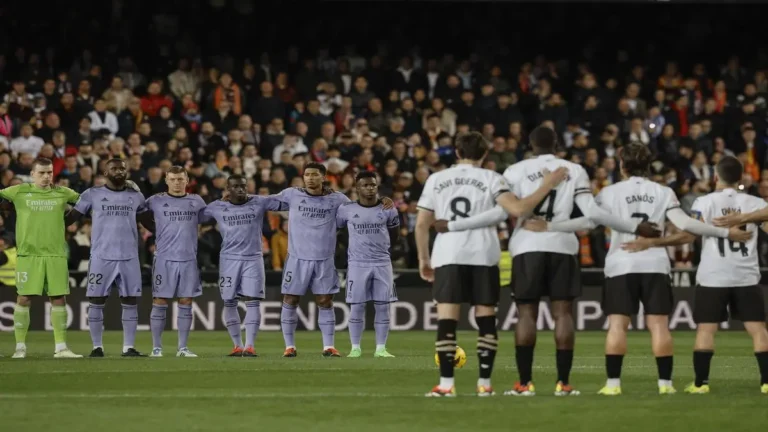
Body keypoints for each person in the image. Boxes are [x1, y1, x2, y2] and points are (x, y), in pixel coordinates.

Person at [434, 126, 661, 396]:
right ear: (557, 145)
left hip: (526, 245)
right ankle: (563, 384)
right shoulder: (574, 170)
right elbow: (591, 215)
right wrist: (634, 226)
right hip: (563, 247)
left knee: (526, 313)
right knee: (563, 313)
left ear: (530, 145)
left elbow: (499, 213)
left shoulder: (514, 171)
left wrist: (455, 225)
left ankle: (524, 384)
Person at [523, 143, 749, 395]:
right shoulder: (664, 192)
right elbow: (685, 223)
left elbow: (589, 220)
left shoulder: (609, 192)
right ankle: (665, 385)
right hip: (655, 263)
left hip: (621, 263)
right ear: (648, 165)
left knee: (618, 325)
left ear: (622, 166)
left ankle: (612, 385)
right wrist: (725, 232)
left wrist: (551, 227)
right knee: (659, 326)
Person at [415, 131, 569, 397]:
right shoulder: (492, 178)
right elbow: (517, 209)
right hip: (483, 254)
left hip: (448, 253)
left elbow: (421, 224)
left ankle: (446, 385)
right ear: (485, 154)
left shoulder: (436, 179)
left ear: (457, 152)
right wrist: (547, 185)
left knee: (447, 321)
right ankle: (484, 384)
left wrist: (423, 259)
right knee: (486, 320)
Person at [633, 156, 768, 394]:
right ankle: (766, 382)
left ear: (716, 176)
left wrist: (656, 242)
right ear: (741, 177)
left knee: (706, 329)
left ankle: (700, 384)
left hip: (713, 276)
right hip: (746, 275)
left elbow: (688, 236)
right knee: (758, 329)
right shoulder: (755, 203)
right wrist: (747, 218)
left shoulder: (703, 202)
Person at [277, 162, 393, 358]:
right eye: (307, 174)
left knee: (325, 300)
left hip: (324, 258)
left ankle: (328, 346)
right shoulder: (291, 194)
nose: (310, 178)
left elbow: (361, 205)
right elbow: (264, 202)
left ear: (324, 177)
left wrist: (382, 200)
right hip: (297, 258)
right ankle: (289, 347)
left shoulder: (337, 199)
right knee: (290, 298)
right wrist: (240, 198)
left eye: (315, 174)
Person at [66, 158, 155, 358]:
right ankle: (97, 347)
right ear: (105, 173)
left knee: (130, 300)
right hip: (101, 256)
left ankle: (128, 348)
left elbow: (148, 222)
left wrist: (168, 234)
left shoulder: (136, 196)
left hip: (129, 256)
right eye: (114, 168)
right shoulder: (92, 194)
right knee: (96, 300)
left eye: (122, 168)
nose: (119, 171)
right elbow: (71, 218)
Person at [0, 158, 82, 359]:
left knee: (58, 298)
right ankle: (20, 347)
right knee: (24, 298)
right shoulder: (18, 191)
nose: (46, 176)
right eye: (42, 173)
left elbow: (85, 202)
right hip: (29, 254)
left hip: (55, 254)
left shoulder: (62, 192)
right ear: (32, 174)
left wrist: (70, 218)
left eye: (49, 172)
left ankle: (61, 347)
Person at [200, 174, 284, 356]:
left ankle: (250, 346)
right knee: (230, 301)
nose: (241, 189)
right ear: (228, 189)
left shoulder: (259, 202)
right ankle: (237, 345)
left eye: (244, 186)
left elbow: (284, 202)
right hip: (229, 260)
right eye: (236, 186)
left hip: (253, 259)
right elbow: (195, 217)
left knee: (253, 301)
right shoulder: (217, 207)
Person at [145, 166, 208, 358]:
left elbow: (209, 219)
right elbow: (139, 213)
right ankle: (157, 348)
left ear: (187, 180)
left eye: (180, 179)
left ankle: (182, 348)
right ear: (166, 180)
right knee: (160, 300)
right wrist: (155, 231)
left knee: (186, 301)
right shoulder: (155, 201)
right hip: (164, 258)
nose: (177, 183)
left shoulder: (196, 201)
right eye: (173, 179)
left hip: (188, 259)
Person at [336, 171, 400, 358]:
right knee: (357, 306)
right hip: (357, 264)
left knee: (382, 306)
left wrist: (383, 249)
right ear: (357, 188)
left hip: (382, 262)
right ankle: (355, 348)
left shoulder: (388, 208)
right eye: (365, 185)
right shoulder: (345, 209)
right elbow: (339, 231)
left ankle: (381, 348)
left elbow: (394, 234)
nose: (370, 188)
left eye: (373, 185)